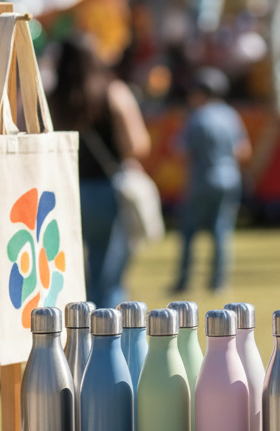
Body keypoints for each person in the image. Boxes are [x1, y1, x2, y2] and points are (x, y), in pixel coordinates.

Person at [49, 36, 150, 307]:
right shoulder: (113, 93)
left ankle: (81, 328)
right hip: (106, 190)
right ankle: (107, 335)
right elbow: (137, 144)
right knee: (109, 274)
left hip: (65, 192)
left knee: (69, 270)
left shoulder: (50, 99)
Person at [172, 68, 251, 294]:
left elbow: (181, 152)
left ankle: (183, 281)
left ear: (200, 93)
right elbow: (243, 151)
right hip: (230, 178)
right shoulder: (230, 115)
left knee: (188, 232)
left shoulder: (196, 117)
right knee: (221, 231)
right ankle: (218, 282)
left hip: (203, 179)